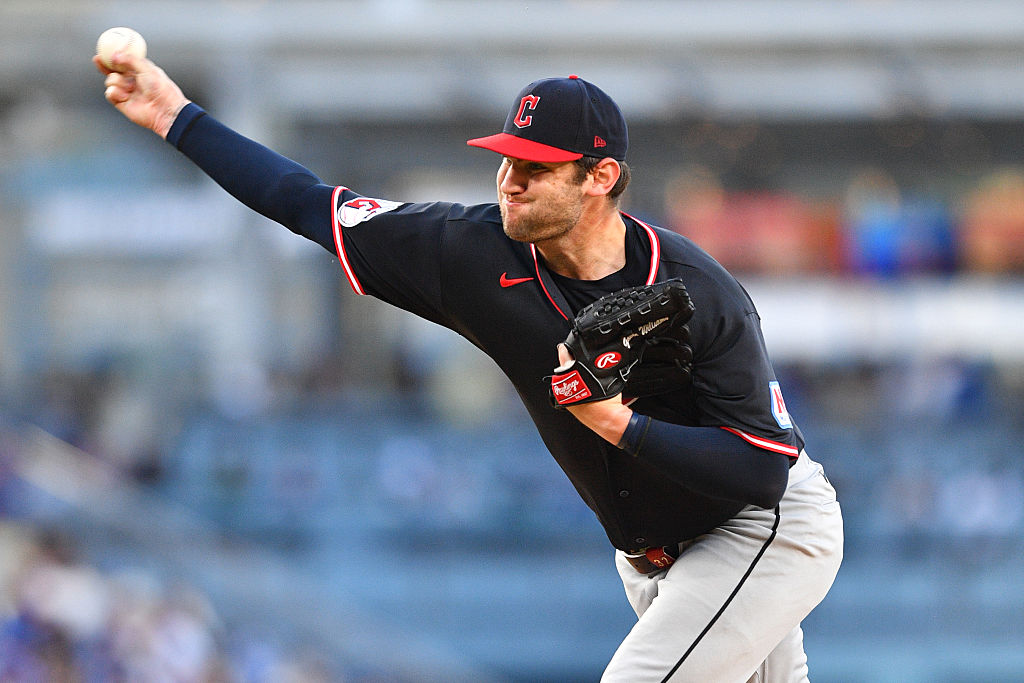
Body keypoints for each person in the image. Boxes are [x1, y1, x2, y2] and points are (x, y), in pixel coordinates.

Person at [95, 49, 843, 682]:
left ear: (601, 177)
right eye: (507, 160)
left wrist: (618, 424)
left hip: (761, 530)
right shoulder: (469, 252)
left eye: (537, 166)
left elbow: (761, 471)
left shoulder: (700, 290)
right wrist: (174, 115)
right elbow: (306, 203)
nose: (510, 179)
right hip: (655, 560)